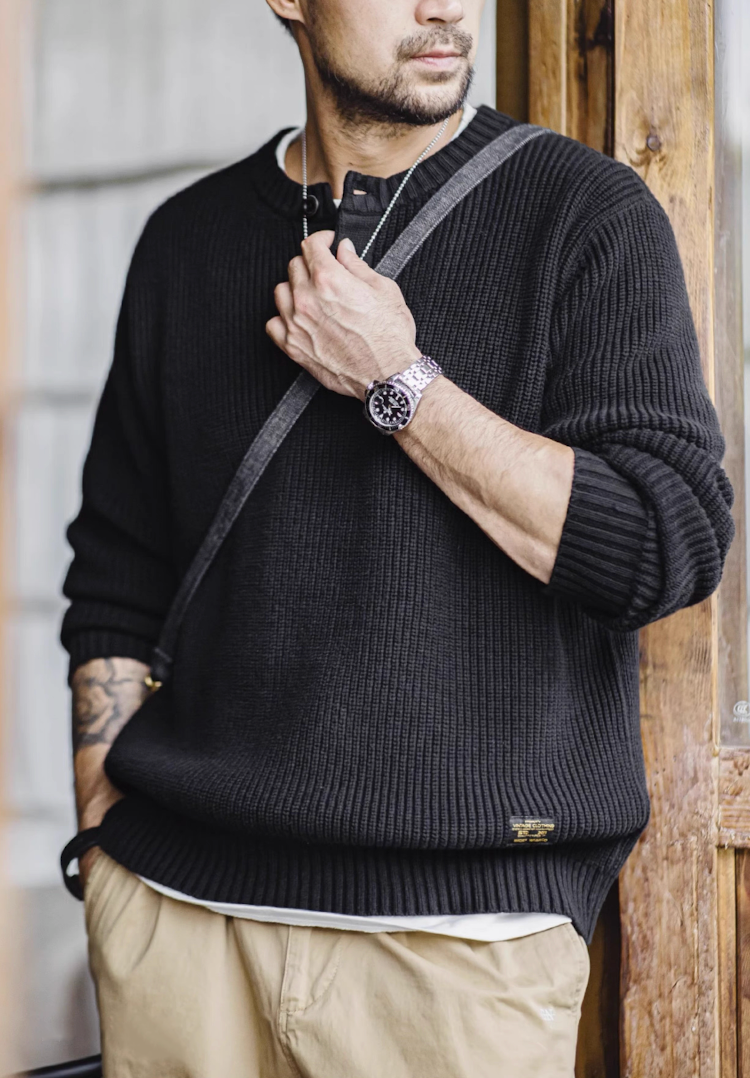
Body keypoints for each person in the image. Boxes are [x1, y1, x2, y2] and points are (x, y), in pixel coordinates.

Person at [59, 0, 735, 1074]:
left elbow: (667, 542)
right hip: (181, 927)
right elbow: (115, 574)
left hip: (452, 954)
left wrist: (397, 381)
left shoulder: (584, 213)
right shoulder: (186, 239)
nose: (446, 7)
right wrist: (103, 830)